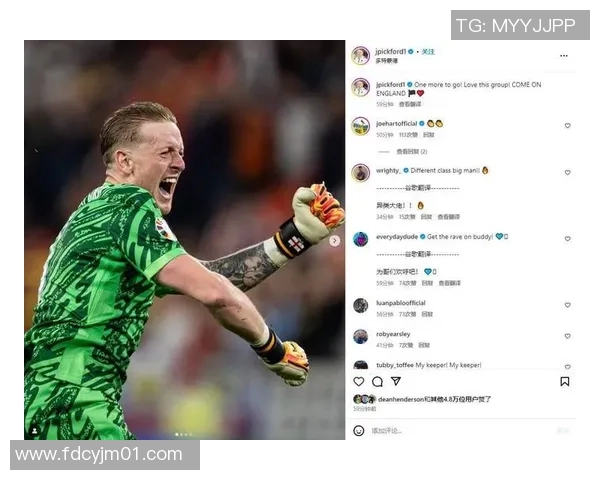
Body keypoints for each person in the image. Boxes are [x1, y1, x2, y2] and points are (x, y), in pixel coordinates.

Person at [24, 101, 345, 440]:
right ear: (125, 161)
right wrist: (274, 350)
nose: (180, 162)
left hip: (47, 404)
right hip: (77, 409)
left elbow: (212, 278)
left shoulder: (95, 211)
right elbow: (216, 294)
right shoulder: (130, 207)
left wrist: (293, 239)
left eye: (180, 152)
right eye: (165, 152)